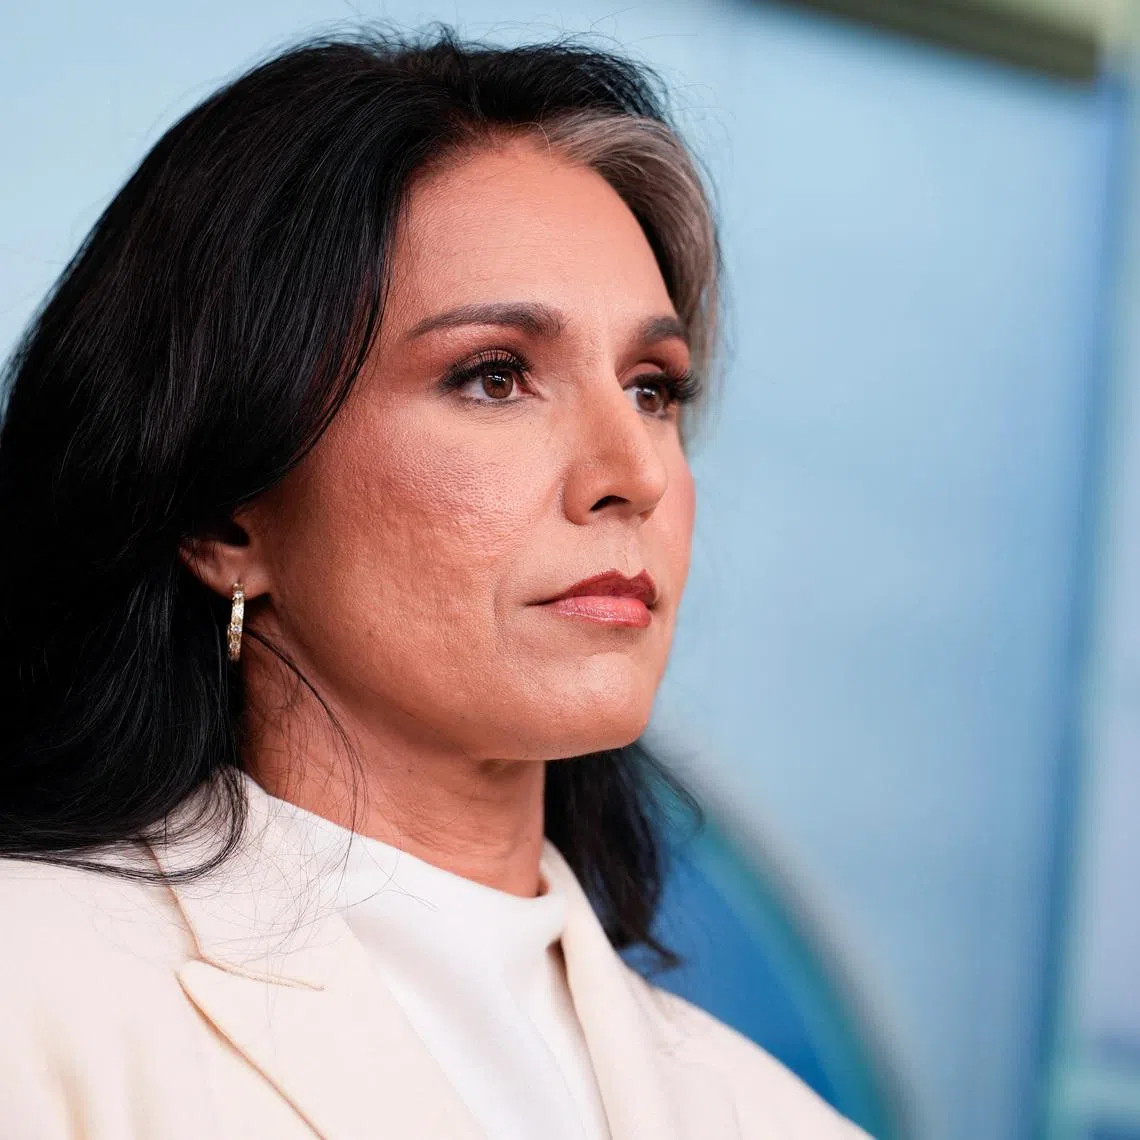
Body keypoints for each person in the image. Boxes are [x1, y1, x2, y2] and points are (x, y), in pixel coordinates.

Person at [0, 29, 865, 1140]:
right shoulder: (32, 995)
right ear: (224, 513)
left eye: (653, 388)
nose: (635, 475)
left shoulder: (775, 1119)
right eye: (495, 376)